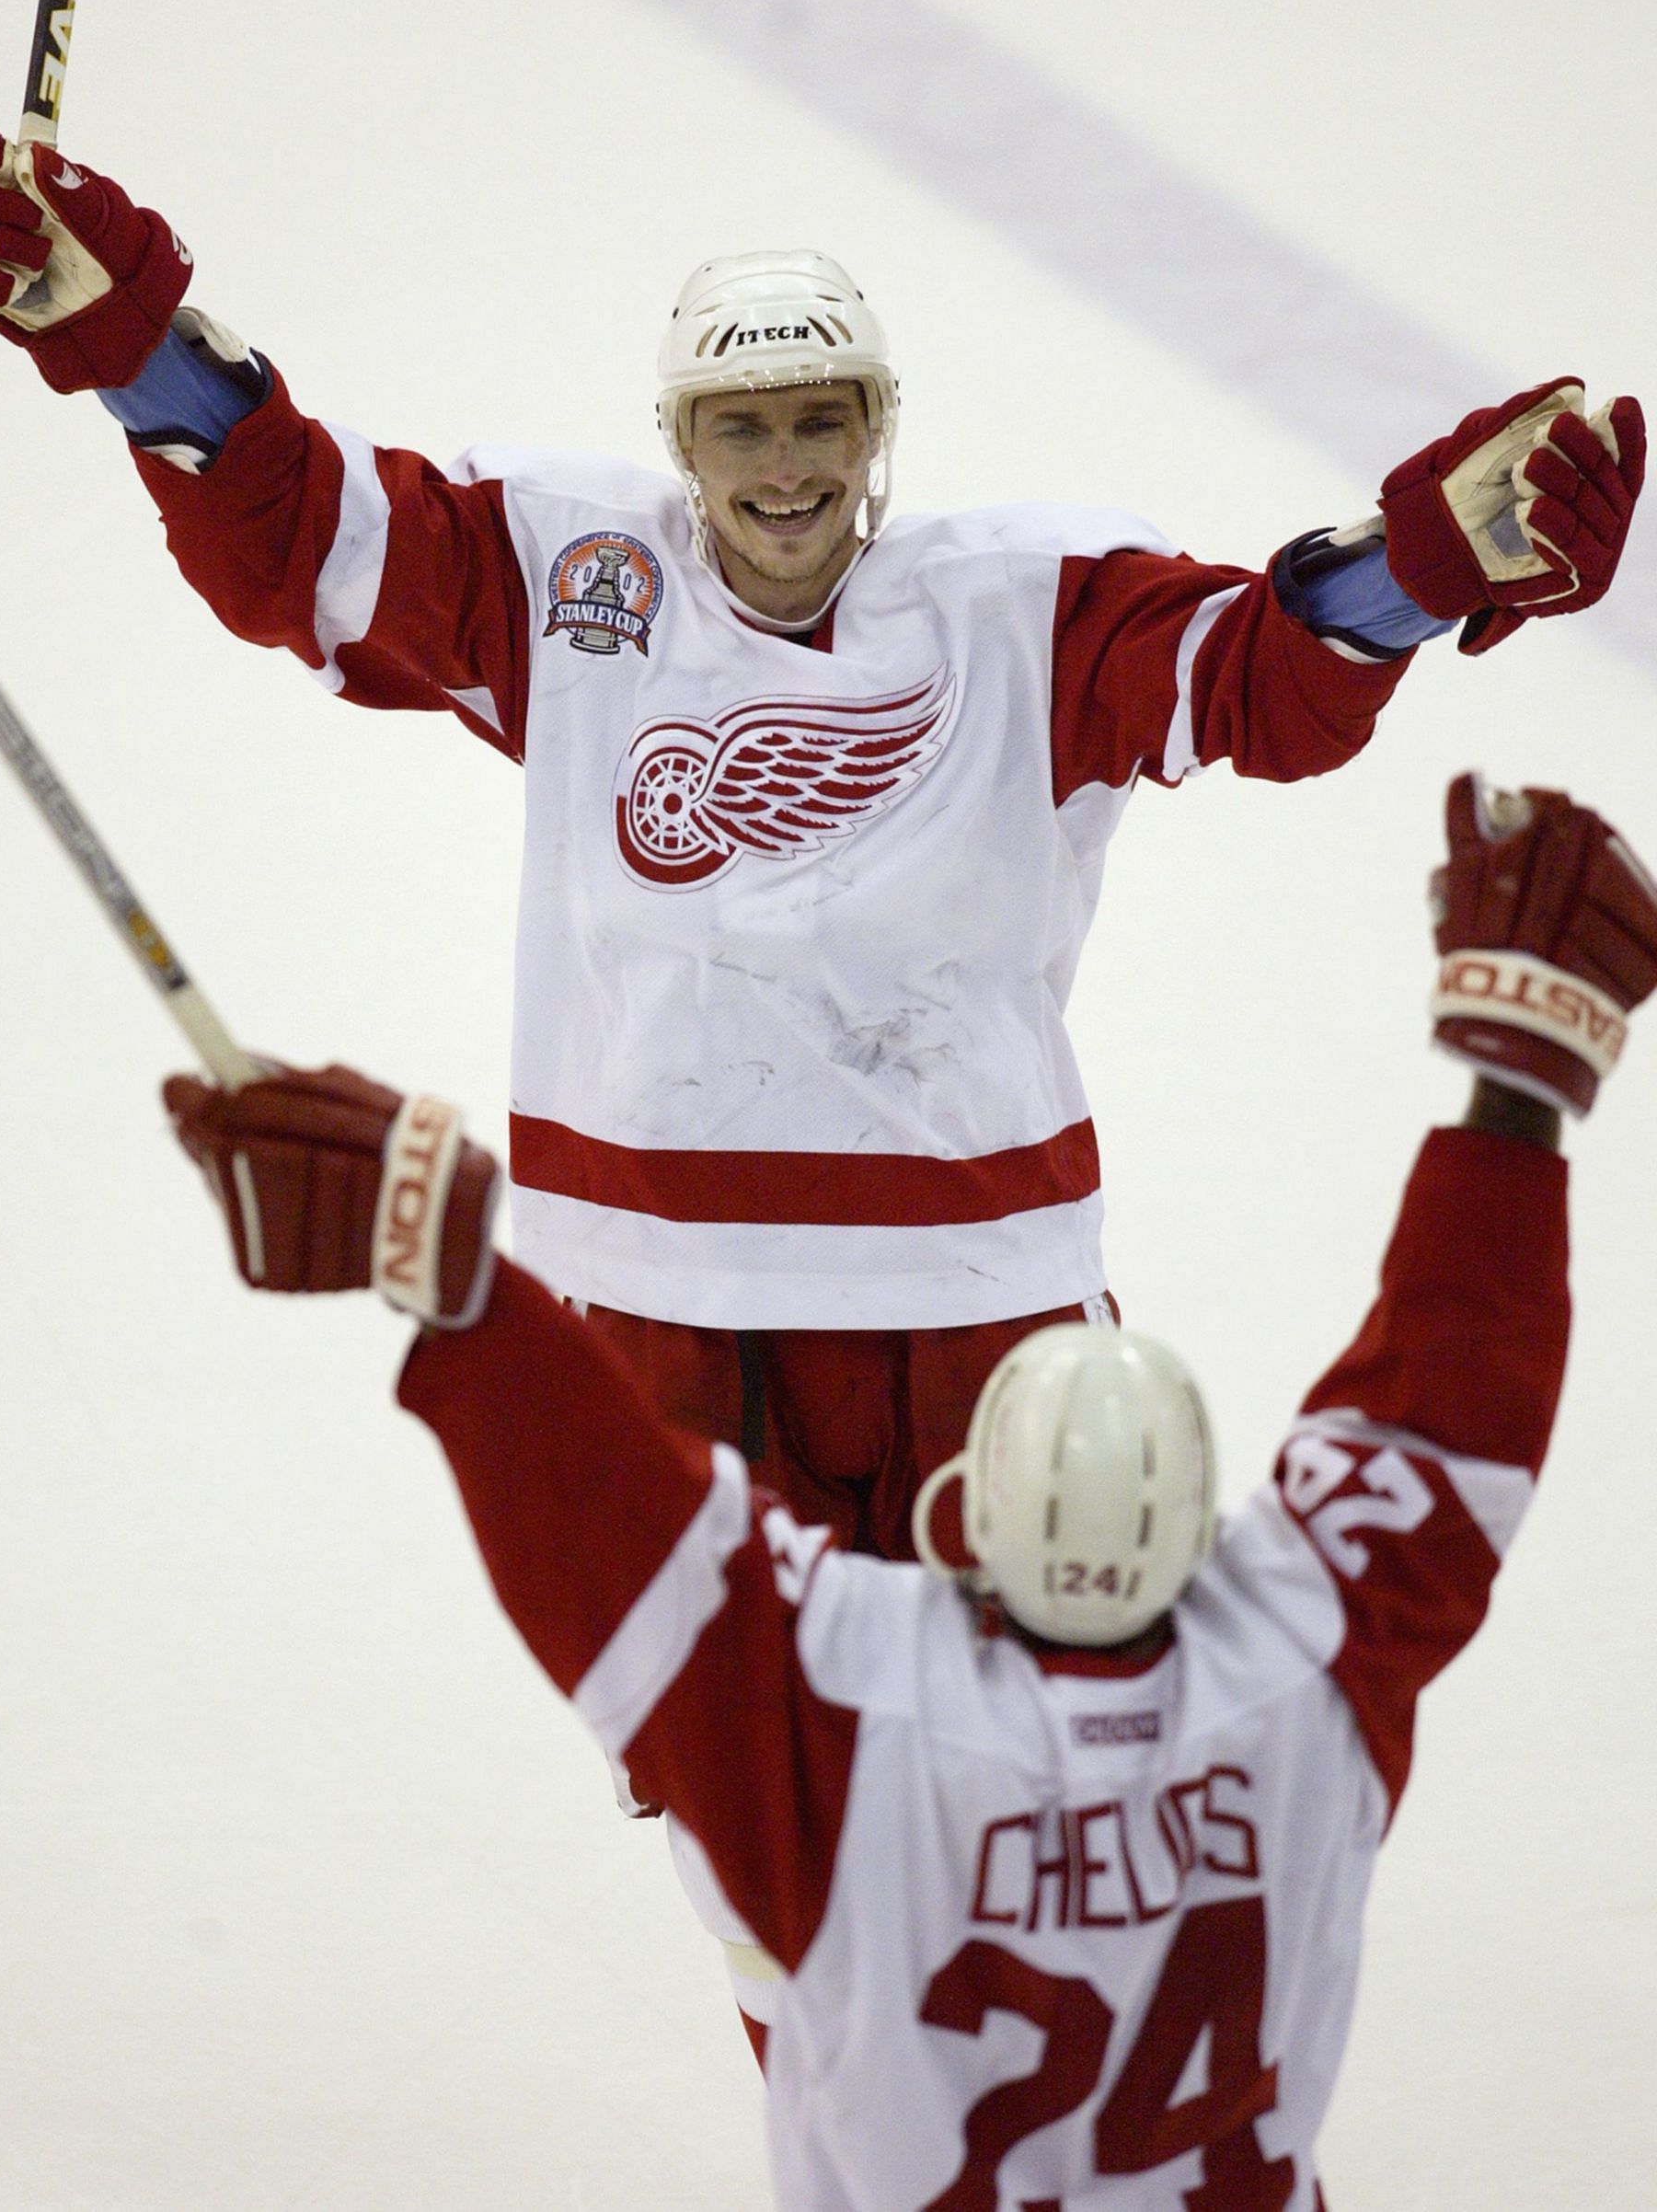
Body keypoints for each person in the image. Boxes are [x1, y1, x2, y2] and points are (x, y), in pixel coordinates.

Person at [0, 133, 1647, 1558]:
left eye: (822, 420)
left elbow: (1253, 675)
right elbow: (304, 533)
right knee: (753, 1827)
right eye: (741, 428)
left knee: (1019, 1774)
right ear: (679, 447)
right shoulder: (575, 583)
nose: (786, 468)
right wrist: (122, 344)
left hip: (981, 1307)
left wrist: (1427, 565)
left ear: (874, 431)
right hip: (660, 1311)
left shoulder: (1020, 612)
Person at [161, 768, 1657, 2207]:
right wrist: (1521, 1092)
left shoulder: (858, 1715)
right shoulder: (1299, 1664)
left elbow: (625, 1531)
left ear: (962, 1514)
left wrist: (449, 1267)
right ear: (1209, 1531)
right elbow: (1450, 1425)